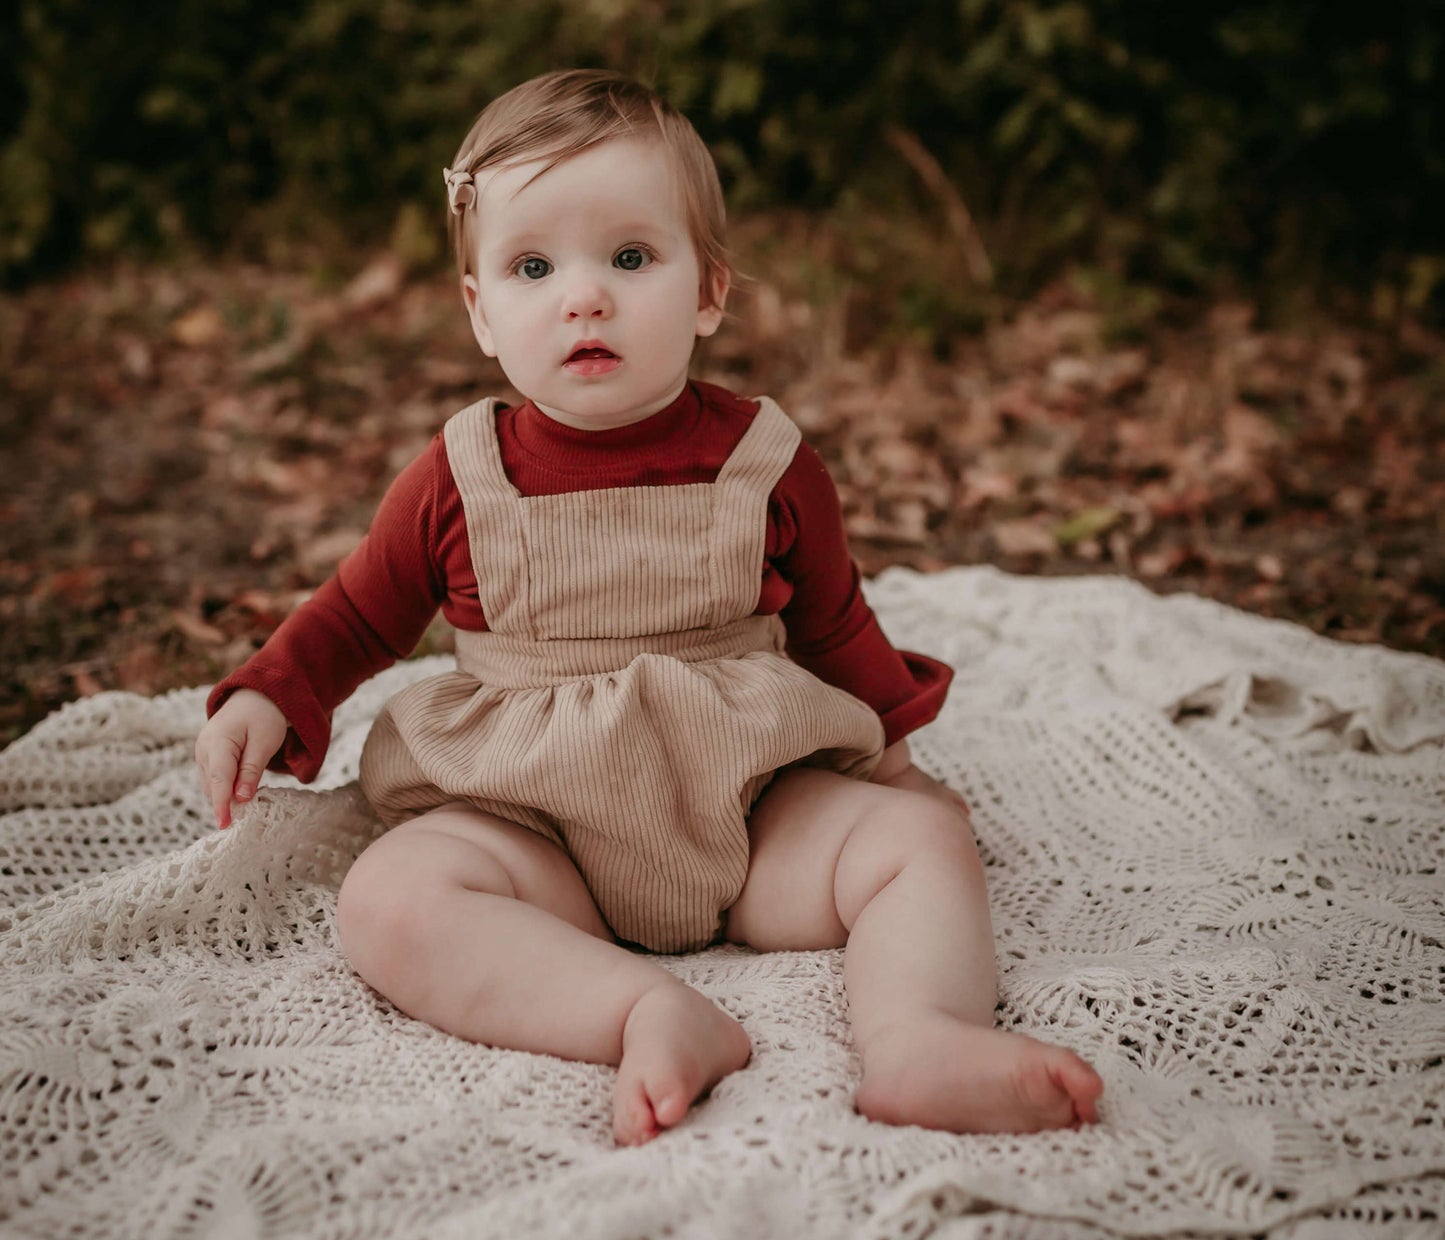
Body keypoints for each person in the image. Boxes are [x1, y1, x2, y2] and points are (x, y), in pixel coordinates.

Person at [196, 70, 1103, 1146]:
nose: (583, 296)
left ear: (709, 291)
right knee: (390, 896)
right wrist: (268, 692)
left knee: (915, 841)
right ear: (482, 310)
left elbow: (832, 622)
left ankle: (921, 1035)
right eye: (533, 266)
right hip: (538, 831)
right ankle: (640, 1008)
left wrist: (894, 757)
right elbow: (356, 613)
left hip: (749, 813)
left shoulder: (764, 461)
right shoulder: (460, 474)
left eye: (630, 257)